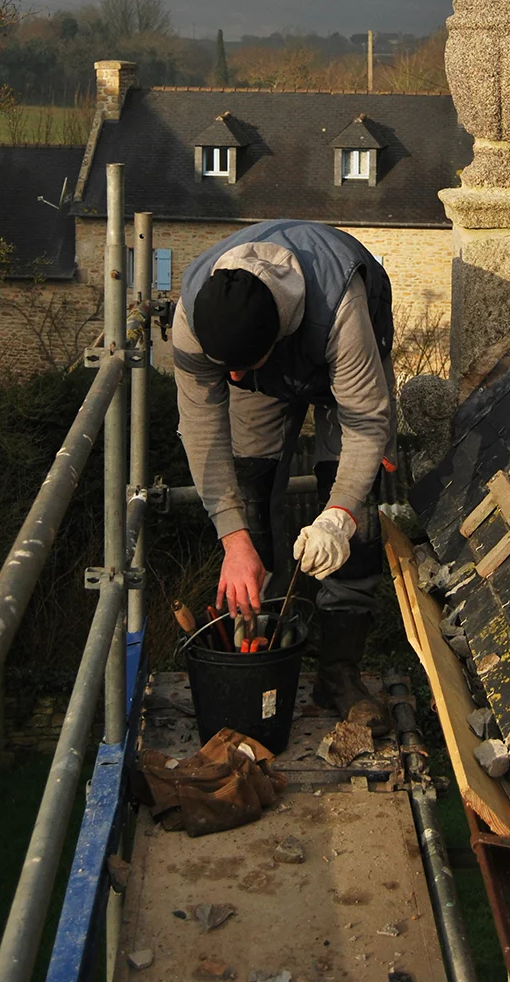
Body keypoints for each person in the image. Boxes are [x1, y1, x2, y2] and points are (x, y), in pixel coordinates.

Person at [172, 218, 396, 735]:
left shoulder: (342, 311)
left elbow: (366, 422)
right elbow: (203, 433)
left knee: (353, 512)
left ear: (275, 335)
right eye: (220, 366)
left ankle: (338, 673)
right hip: (265, 378)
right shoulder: (192, 317)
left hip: (344, 369)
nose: (227, 378)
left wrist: (338, 517)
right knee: (249, 498)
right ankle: (271, 647)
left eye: (237, 366)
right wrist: (234, 540)